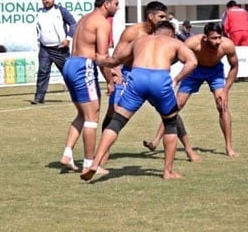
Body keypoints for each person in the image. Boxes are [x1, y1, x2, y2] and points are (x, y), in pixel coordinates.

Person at [81, 20, 198, 181]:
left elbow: (115, 60)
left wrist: (101, 60)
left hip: (137, 78)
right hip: (160, 79)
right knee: (170, 123)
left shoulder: (139, 41)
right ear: (170, 33)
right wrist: (177, 79)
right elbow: (193, 62)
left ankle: (95, 163)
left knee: (117, 121)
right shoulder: (174, 42)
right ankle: (168, 171)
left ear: (154, 32)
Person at [144, 22, 240, 158]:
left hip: (215, 72)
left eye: (219, 37)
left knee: (222, 106)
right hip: (194, 70)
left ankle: (229, 147)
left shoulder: (227, 45)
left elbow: (234, 67)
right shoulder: (193, 43)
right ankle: (155, 141)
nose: (218, 41)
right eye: (214, 38)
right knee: (176, 105)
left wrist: (226, 90)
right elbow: (175, 56)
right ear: (205, 38)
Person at [59, 0, 120, 174]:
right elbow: (101, 57)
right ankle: (88, 163)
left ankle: (67, 154)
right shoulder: (101, 23)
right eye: (116, 4)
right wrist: (110, 79)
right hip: (83, 66)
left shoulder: (85, 18)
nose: (117, 8)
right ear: (106, 3)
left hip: (70, 64)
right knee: (92, 117)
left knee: (82, 113)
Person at [32, 0, 77, 104]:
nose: (47, 1)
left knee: (67, 72)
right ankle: (39, 97)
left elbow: (73, 24)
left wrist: (68, 39)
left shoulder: (60, 10)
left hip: (60, 48)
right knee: (42, 71)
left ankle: (77, 95)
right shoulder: (40, 12)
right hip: (45, 48)